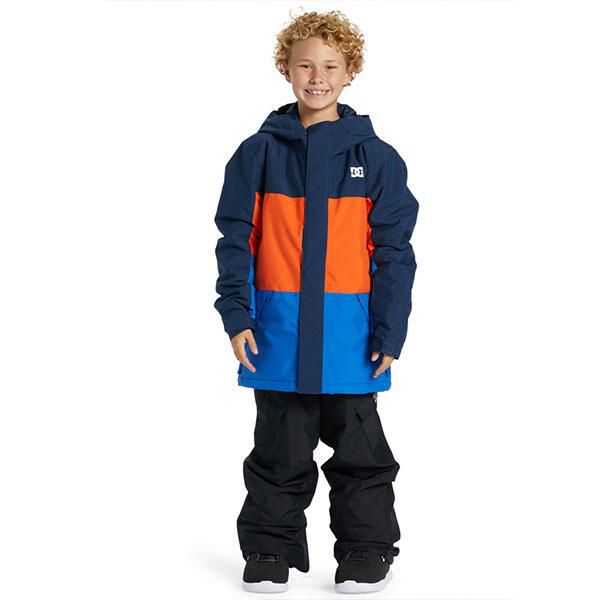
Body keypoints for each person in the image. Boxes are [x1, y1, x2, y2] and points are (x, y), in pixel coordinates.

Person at [213, 9, 419, 594]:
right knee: (278, 452)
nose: (318, 77)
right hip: (276, 334)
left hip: (351, 339)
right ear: (286, 69)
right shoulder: (257, 154)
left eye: (331, 66)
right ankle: (269, 550)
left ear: (351, 72)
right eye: (305, 65)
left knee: (360, 454)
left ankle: (366, 550)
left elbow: (394, 254)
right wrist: (237, 315)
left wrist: (389, 332)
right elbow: (235, 240)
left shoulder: (377, 158)